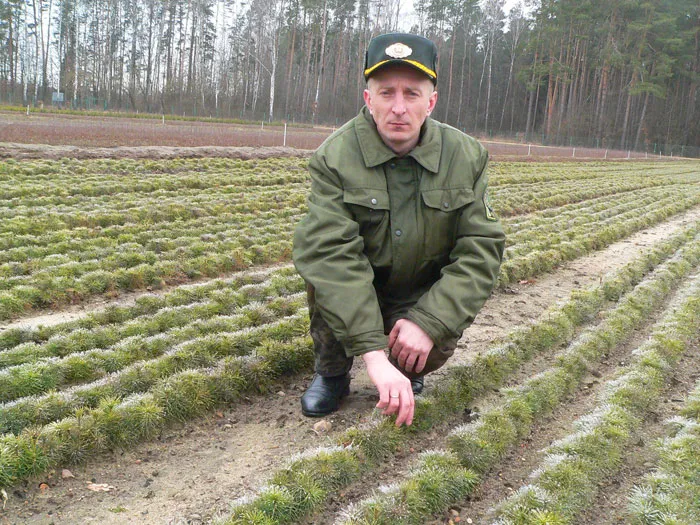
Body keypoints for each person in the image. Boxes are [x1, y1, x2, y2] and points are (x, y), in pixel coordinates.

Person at [292, 33, 505, 427]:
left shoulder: (466, 157)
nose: (399, 108)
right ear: (368, 98)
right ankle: (333, 372)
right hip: (362, 285)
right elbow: (330, 255)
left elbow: (480, 250)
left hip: (417, 292)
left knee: (430, 341)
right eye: (386, 93)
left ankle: (408, 365)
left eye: (412, 93)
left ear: (432, 101)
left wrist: (430, 321)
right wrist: (372, 354)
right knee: (324, 282)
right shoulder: (334, 157)